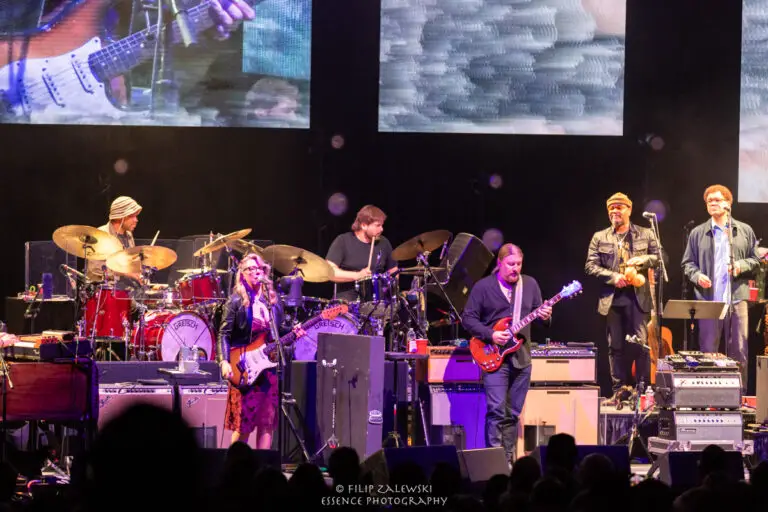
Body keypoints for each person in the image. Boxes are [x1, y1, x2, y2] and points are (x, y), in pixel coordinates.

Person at [462, 243, 552, 464]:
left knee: (512, 414)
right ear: (499, 263)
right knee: (496, 412)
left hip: (522, 359)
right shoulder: (483, 287)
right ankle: (494, 464)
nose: (515, 269)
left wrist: (546, 316)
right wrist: (491, 335)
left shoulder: (529, 284)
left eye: (519, 264)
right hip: (493, 357)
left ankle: (508, 461)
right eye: (511, 264)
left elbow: (541, 320)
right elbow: (468, 319)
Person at [217, 253, 303, 447]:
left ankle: (263, 463)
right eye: (250, 269)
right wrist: (224, 361)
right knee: (243, 426)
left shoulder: (273, 302)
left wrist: (294, 331)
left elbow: (279, 331)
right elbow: (224, 333)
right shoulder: (235, 301)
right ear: (242, 274)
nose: (256, 272)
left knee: (267, 422)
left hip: (268, 367)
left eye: (259, 268)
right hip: (244, 366)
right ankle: (236, 461)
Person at [682, 184, 760, 389]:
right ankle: (709, 395)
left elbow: (756, 260)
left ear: (728, 204)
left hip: (737, 299)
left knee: (739, 351)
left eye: (717, 200)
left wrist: (740, 266)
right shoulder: (698, 233)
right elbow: (687, 263)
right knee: (708, 352)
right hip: (709, 301)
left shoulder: (744, 230)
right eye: (709, 201)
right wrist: (697, 276)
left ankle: (739, 396)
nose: (712, 203)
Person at [585, 192, 659, 395]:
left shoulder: (646, 233)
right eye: (611, 208)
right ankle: (619, 389)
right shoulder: (600, 237)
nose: (615, 211)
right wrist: (613, 277)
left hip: (639, 298)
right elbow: (590, 266)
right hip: (613, 299)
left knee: (641, 345)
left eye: (619, 207)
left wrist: (643, 260)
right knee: (615, 346)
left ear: (629, 209)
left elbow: (660, 257)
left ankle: (642, 390)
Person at [325, 205, 398, 302]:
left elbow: (393, 271)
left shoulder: (384, 243)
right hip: (347, 301)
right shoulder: (343, 241)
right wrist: (357, 275)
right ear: (364, 225)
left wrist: (389, 290)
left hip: (377, 301)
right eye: (377, 225)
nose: (381, 229)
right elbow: (329, 272)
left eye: (382, 225)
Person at [85, 196, 143, 284]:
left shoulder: (129, 235)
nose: (136, 220)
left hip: (125, 288)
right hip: (105, 289)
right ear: (120, 217)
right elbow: (95, 270)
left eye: (136, 216)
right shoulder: (100, 235)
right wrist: (124, 273)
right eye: (132, 216)